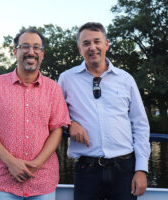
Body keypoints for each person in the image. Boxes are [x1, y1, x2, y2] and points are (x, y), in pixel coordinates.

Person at [0, 28, 70, 200]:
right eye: (25, 46)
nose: (31, 52)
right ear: (15, 51)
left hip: (42, 181)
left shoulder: (53, 89)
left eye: (36, 47)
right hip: (2, 182)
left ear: (42, 53)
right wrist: (11, 163)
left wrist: (36, 164)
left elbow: (57, 130)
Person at [58, 22, 151, 200]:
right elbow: (53, 115)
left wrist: (141, 169)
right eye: (86, 43)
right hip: (87, 171)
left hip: (125, 169)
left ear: (106, 44)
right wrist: (70, 124)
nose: (92, 47)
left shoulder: (126, 79)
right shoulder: (66, 79)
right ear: (80, 49)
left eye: (97, 41)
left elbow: (140, 125)